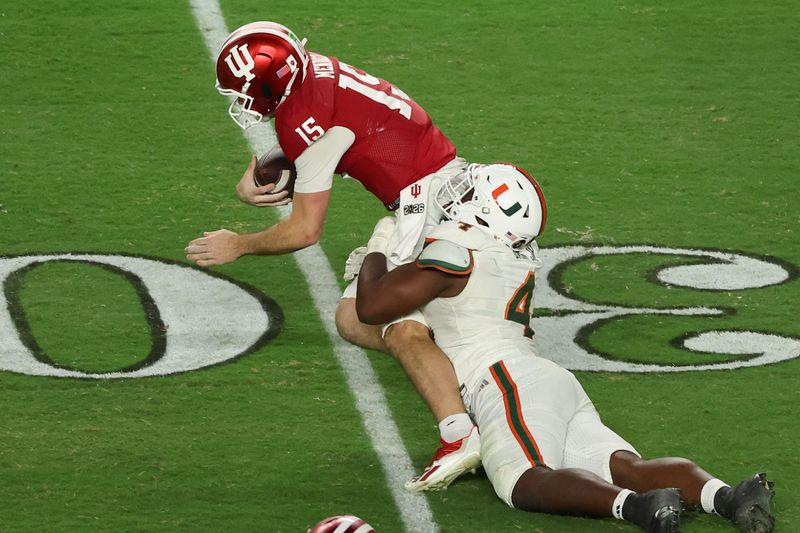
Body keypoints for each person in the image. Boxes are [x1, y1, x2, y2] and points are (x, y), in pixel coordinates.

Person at [353, 163, 776, 532]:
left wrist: (379, 247)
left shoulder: (459, 250)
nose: (458, 198)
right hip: (543, 378)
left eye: (469, 193)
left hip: (504, 381)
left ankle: (639, 507)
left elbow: (372, 307)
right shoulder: (511, 252)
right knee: (623, 467)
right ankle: (730, 497)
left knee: (522, 481)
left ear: (486, 210)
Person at [183, 21, 479, 490]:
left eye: (244, 92)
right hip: (443, 187)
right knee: (354, 318)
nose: (241, 103)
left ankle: (460, 431)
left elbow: (304, 230)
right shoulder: (312, 71)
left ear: (270, 85)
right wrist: (262, 175)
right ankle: (459, 373)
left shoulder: (307, 120)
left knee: (380, 318)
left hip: (430, 205)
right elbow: (335, 129)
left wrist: (239, 244)